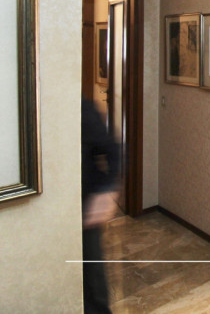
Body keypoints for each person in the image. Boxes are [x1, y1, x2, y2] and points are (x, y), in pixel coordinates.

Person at [81, 98, 120, 314]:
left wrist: (107, 190)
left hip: (85, 206)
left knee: (91, 273)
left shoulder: (81, 107)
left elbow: (112, 150)